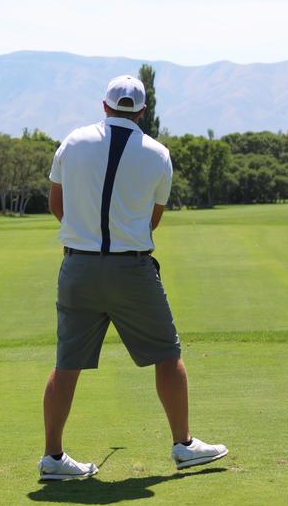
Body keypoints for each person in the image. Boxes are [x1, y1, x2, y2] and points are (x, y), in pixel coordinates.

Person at [38, 75, 228, 480]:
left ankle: (52, 457)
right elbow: (152, 220)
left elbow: (57, 204)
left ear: (104, 106)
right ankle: (183, 445)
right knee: (167, 355)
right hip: (132, 270)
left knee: (67, 363)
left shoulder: (72, 141)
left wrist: (85, 236)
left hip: (77, 267)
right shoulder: (158, 154)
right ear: (142, 112)